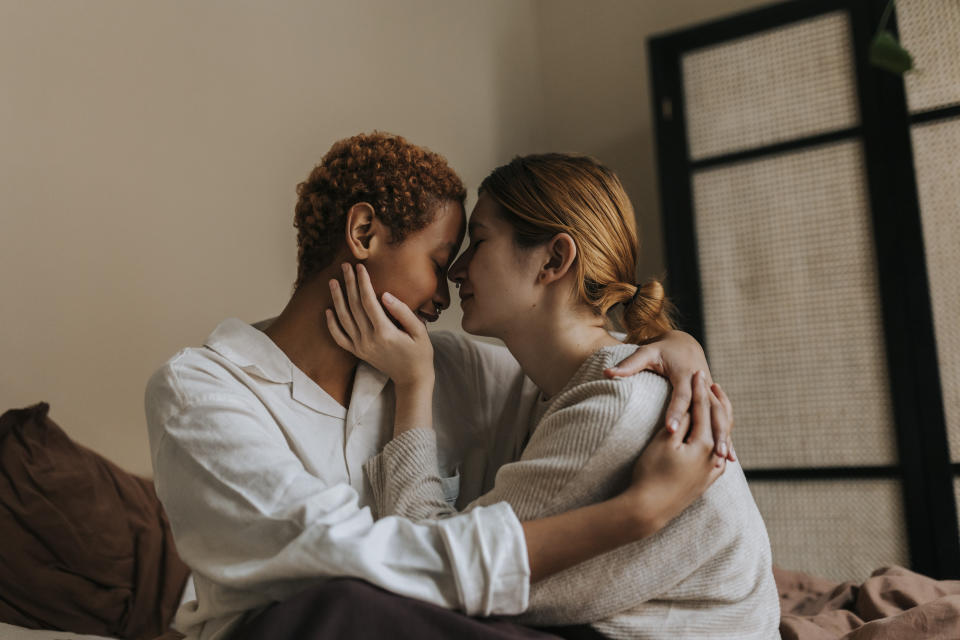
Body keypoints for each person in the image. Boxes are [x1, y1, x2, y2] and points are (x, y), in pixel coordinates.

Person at [144, 133, 734, 640]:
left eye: (470, 251)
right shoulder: (202, 391)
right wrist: (637, 514)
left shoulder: (445, 365)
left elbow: (586, 379)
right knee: (338, 610)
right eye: (443, 256)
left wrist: (677, 348)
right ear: (364, 231)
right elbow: (353, 564)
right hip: (304, 628)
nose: (449, 287)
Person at [330, 153, 780, 639]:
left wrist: (413, 385)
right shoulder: (574, 379)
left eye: (478, 242)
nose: (455, 271)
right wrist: (682, 343)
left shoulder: (611, 406)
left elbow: (427, 562)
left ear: (554, 260)